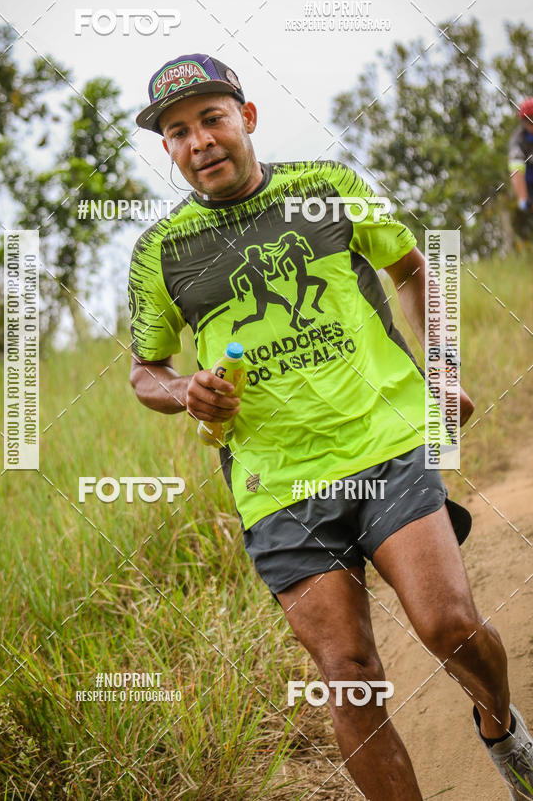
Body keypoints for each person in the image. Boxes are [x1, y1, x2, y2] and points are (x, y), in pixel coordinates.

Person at [128, 53, 533, 800]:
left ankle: (501, 726)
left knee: (449, 626)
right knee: (348, 675)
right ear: (169, 150)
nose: (200, 141)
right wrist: (187, 389)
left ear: (246, 119)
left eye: (212, 119)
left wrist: (441, 369)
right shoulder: (160, 251)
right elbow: (144, 370)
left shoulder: (328, 188)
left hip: (381, 443)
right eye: (179, 132)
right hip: (275, 483)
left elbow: (412, 270)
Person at [509, 97, 533, 241]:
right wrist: (523, 199)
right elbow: (516, 171)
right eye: (528, 120)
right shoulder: (518, 140)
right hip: (530, 185)